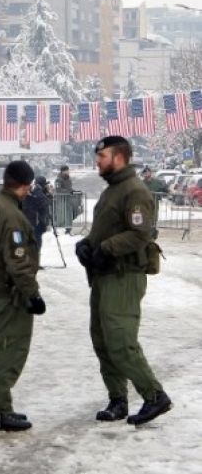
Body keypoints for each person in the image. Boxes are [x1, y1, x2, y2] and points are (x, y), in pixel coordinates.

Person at [75, 136, 172, 426]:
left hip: (123, 275)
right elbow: (106, 229)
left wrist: (105, 249)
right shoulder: (113, 190)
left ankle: (155, 396)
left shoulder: (134, 190)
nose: (97, 161)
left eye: (102, 156)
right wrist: (86, 244)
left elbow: (140, 234)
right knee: (102, 340)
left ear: (119, 158)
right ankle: (118, 399)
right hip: (105, 275)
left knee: (120, 339)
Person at [0, 160, 45, 432]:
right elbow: (17, 262)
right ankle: (0, 411)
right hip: (7, 295)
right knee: (8, 352)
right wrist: (33, 295)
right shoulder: (11, 215)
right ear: (25, 186)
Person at [22, 176, 52, 268]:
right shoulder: (37, 191)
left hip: (31, 219)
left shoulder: (34, 190)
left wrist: (47, 194)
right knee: (36, 242)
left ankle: (31, 262)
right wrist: (48, 194)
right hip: (34, 220)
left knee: (33, 242)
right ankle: (33, 263)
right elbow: (44, 203)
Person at [53, 165, 78, 234]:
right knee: (61, 215)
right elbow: (58, 189)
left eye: (68, 170)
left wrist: (74, 191)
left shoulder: (68, 179)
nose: (68, 171)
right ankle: (56, 228)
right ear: (63, 171)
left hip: (68, 199)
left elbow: (69, 188)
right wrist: (68, 192)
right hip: (61, 200)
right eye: (67, 170)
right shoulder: (58, 179)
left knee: (69, 214)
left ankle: (68, 229)